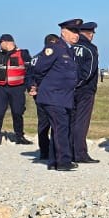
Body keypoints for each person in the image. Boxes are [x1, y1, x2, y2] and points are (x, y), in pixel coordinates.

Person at [29, 19, 81, 171]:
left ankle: (53, 161)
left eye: (77, 32)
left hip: (64, 97)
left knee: (59, 128)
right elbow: (38, 68)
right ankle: (63, 162)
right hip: (53, 96)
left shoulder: (68, 50)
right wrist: (42, 86)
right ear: (63, 32)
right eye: (73, 31)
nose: (76, 35)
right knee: (61, 128)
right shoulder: (55, 48)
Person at [0, 34, 32, 145]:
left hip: (18, 88)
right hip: (1, 88)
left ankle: (19, 137)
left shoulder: (23, 53)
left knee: (17, 112)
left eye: (0, 42)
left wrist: (29, 87)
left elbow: (30, 71)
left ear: (7, 42)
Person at [71, 21, 101, 163]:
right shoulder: (90, 48)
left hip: (69, 89)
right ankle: (80, 153)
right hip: (85, 90)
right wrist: (79, 84)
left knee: (70, 120)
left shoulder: (70, 47)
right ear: (90, 34)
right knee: (81, 122)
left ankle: (69, 151)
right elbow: (89, 72)